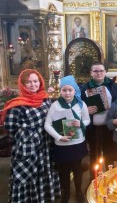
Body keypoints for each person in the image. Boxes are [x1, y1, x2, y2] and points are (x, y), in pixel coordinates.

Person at [1, 69, 60, 202]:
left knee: (45, 169)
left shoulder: (45, 99)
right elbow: (10, 127)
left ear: (40, 82)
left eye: (35, 81)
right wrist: (28, 133)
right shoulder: (16, 105)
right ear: (22, 84)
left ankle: (43, 196)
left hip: (45, 144)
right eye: (28, 82)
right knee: (26, 173)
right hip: (28, 147)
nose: (33, 85)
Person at [45, 75, 90, 203]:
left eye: (70, 90)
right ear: (61, 91)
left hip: (77, 143)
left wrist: (80, 123)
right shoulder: (55, 105)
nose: (67, 93)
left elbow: (87, 120)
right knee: (63, 171)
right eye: (64, 90)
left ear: (74, 90)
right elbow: (47, 124)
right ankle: (65, 193)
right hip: (62, 145)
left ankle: (79, 191)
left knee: (77, 169)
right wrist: (59, 137)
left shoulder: (81, 105)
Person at [80, 62, 117, 179]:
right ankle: (94, 181)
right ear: (91, 73)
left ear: (105, 72)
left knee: (109, 154)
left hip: (108, 127)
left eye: (101, 70)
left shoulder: (113, 86)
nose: (99, 73)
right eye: (96, 71)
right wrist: (85, 109)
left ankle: (111, 180)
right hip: (93, 128)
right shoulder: (84, 88)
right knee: (94, 155)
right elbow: (78, 105)